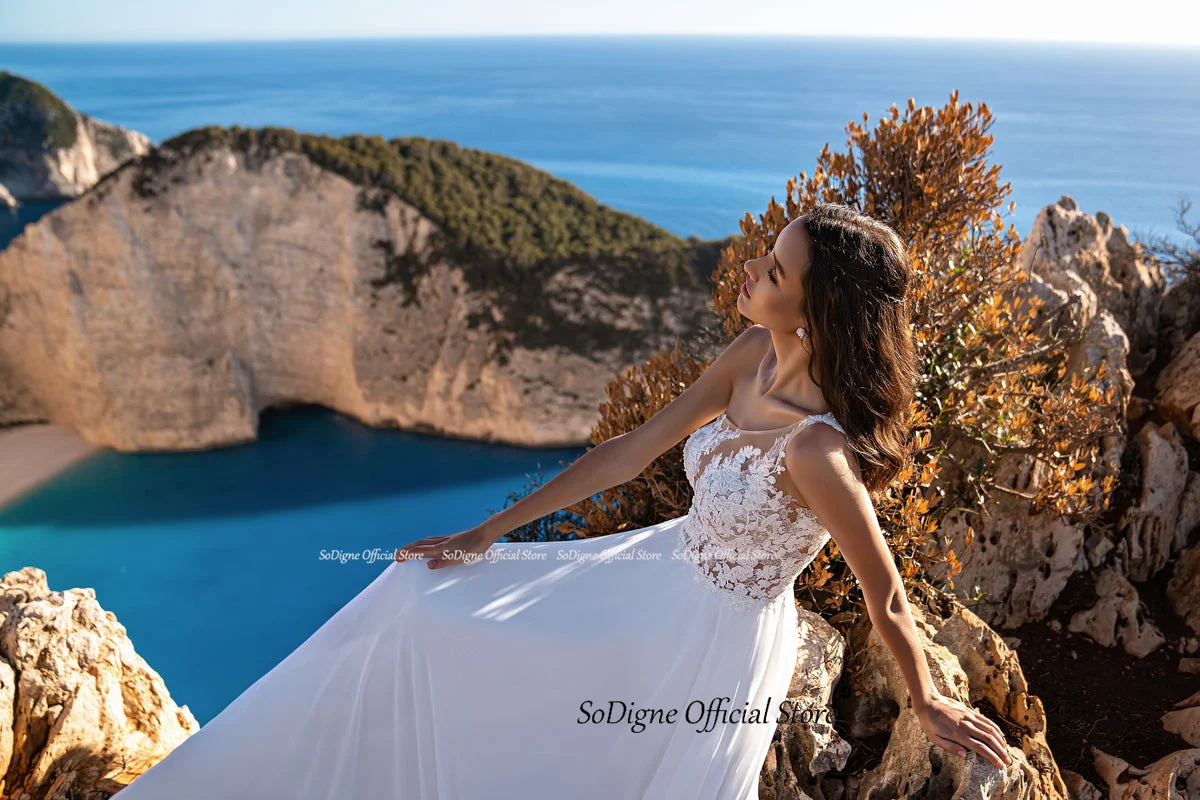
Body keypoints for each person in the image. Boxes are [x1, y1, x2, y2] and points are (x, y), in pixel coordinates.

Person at [114, 204, 1012, 799]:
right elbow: (629, 452)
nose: (751, 268)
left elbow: (883, 591)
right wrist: (483, 533)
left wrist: (927, 698)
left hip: (715, 645)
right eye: (767, 254)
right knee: (417, 599)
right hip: (653, 572)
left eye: (775, 271)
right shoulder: (748, 356)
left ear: (815, 311)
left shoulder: (818, 448)